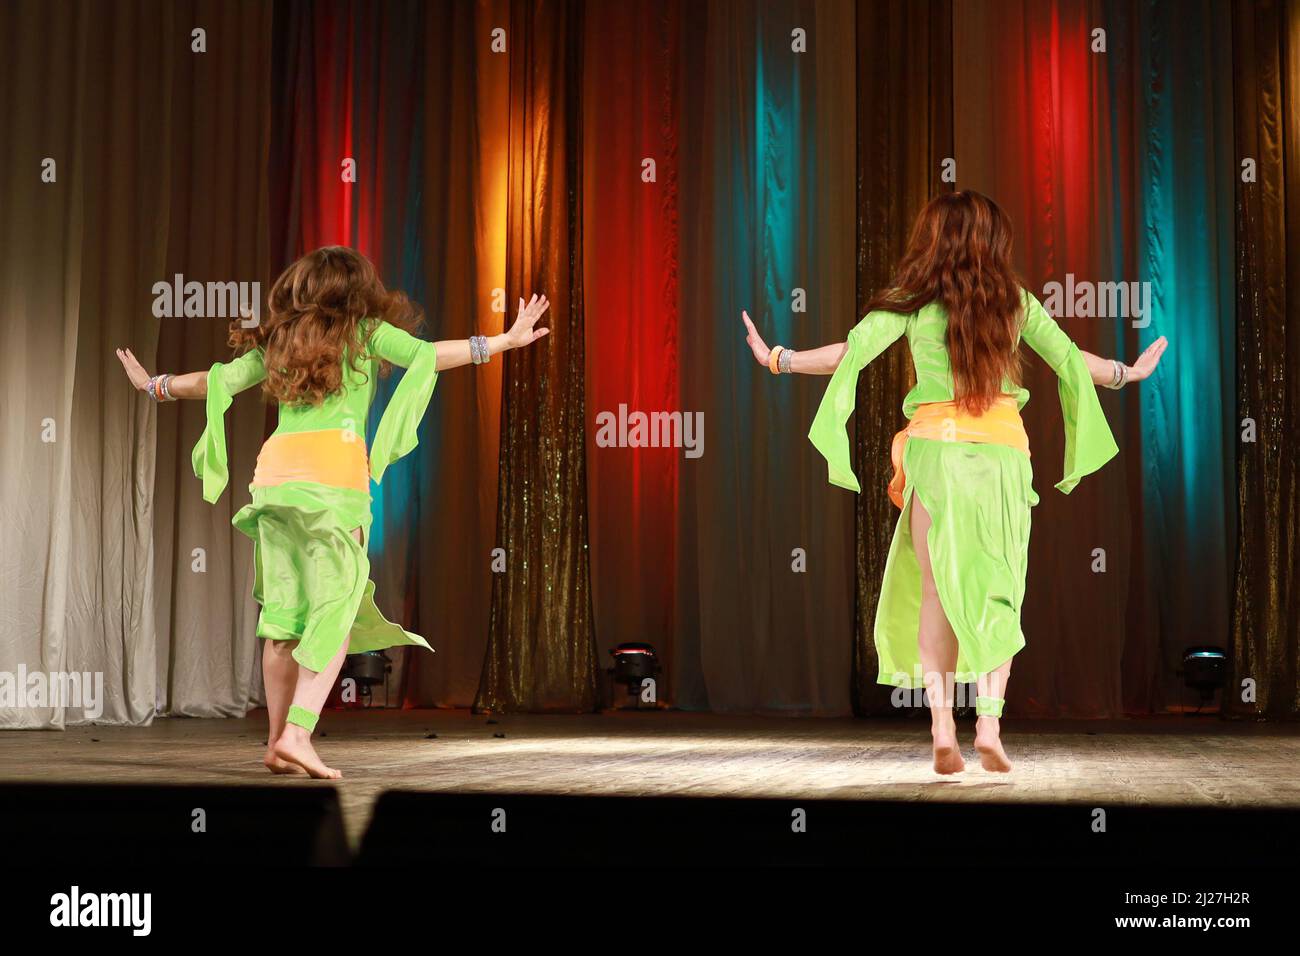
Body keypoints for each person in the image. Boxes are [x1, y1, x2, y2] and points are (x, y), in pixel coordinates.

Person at [742, 191, 1167, 774]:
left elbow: (852, 352)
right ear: (995, 241)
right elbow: (1070, 359)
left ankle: (944, 727)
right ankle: (988, 723)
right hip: (1001, 457)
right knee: (999, 589)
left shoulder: (913, 302)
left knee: (938, 591)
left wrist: (778, 358)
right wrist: (1126, 373)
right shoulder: (1013, 303)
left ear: (932, 239)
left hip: (936, 454)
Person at [118, 246, 550, 778]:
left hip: (274, 480)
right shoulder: (366, 334)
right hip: (332, 481)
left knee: (283, 618)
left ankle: (277, 742)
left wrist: (153, 386)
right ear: (359, 290)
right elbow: (428, 354)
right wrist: (502, 342)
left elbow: (217, 382)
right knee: (338, 608)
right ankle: (298, 732)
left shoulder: (280, 341)